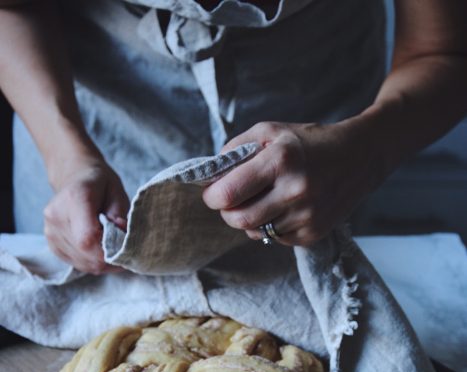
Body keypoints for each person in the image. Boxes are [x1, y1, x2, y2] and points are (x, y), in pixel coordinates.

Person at [0, 0, 466, 274]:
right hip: (89, 122)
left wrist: (365, 149)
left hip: (326, 128)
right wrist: (67, 159)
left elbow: (444, 48)